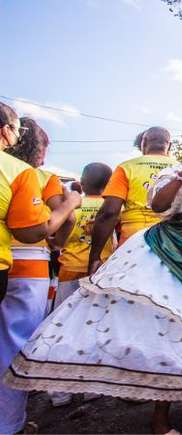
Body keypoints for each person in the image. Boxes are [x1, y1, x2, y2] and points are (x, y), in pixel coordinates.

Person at [4, 115, 182, 435]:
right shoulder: (180, 171)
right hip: (178, 259)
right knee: (169, 335)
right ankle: (160, 418)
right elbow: (159, 203)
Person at [0, 116, 82, 434]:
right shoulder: (40, 176)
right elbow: (68, 219)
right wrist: (57, 245)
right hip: (30, 265)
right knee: (14, 346)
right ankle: (10, 424)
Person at [50, 163, 114, 405]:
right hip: (101, 273)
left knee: (62, 328)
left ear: (82, 184)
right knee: (97, 328)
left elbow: (57, 240)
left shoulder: (73, 205)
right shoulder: (111, 207)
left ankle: (59, 393)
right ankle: (91, 387)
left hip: (69, 272)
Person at [87, 127, 177, 274]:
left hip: (133, 243)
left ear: (143, 142)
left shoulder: (126, 168)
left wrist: (95, 256)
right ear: (170, 146)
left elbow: (109, 212)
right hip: (172, 244)